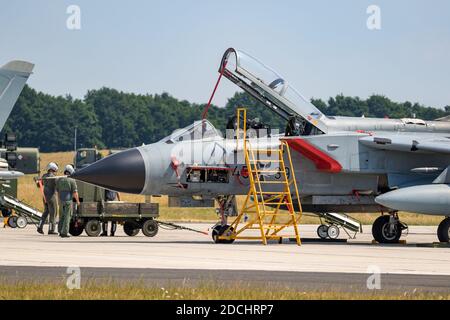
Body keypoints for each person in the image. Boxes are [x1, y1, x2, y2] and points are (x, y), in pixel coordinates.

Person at [56, 165, 80, 238]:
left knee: (62, 216)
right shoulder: (72, 180)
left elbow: (57, 191)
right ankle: (65, 232)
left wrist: (58, 200)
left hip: (61, 200)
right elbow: (75, 192)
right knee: (67, 216)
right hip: (68, 201)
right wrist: (78, 201)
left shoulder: (59, 179)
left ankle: (60, 231)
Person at [37, 162, 59, 235]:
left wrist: (37, 180)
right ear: (54, 168)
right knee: (53, 214)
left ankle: (40, 226)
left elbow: (38, 185)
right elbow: (58, 187)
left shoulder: (44, 176)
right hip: (52, 197)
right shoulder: (54, 177)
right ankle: (51, 230)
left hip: (45, 197)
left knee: (45, 213)